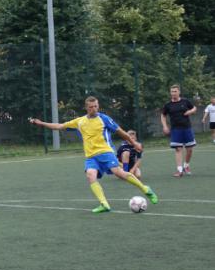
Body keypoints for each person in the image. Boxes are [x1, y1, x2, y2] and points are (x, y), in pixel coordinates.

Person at [29, 96, 157, 214]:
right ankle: (104, 204)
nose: (94, 109)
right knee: (90, 175)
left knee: (119, 173)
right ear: (86, 108)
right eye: (91, 107)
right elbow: (59, 126)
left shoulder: (104, 118)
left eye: (96, 106)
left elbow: (121, 132)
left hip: (105, 152)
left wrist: (134, 143)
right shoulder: (80, 121)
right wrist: (41, 123)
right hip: (91, 157)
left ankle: (145, 189)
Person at [161, 85, 197, 177]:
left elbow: (194, 108)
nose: (173, 93)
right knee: (178, 149)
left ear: (179, 92)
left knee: (189, 149)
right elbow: (163, 115)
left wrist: (190, 112)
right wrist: (165, 126)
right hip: (175, 130)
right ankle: (179, 170)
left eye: (175, 91)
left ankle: (186, 166)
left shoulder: (185, 101)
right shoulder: (168, 105)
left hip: (187, 128)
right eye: (172, 91)